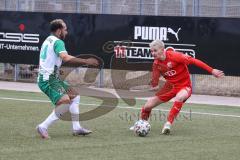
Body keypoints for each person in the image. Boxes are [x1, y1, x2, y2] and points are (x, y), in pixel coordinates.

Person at [131, 39, 224, 135]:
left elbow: (194, 61)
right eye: (151, 51)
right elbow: (155, 82)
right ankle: (141, 124)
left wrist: (212, 70)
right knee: (147, 106)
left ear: (162, 49)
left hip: (184, 86)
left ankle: (168, 124)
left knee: (179, 97)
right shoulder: (156, 64)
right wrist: (153, 84)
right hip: (169, 87)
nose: (153, 53)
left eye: (155, 50)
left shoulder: (175, 56)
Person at [36, 19, 99, 139]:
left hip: (52, 78)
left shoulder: (48, 40)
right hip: (48, 80)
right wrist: (86, 61)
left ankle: (77, 128)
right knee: (65, 102)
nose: (67, 32)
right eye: (65, 29)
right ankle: (43, 126)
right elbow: (65, 57)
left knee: (75, 96)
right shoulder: (58, 42)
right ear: (59, 30)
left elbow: (49, 59)